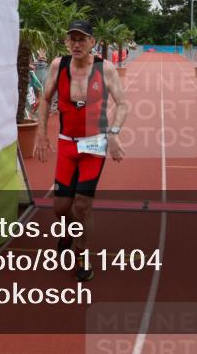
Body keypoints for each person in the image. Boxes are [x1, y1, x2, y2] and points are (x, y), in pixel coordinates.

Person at [33, 20, 127, 281]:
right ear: (67, 42)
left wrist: (115, 133)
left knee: (83, 205)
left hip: (94, 144)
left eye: (81, 39)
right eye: (72, 39)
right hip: (66, 143)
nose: (76, 44)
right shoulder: (58, 65)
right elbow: (45, 99)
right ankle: (67, 232)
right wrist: (41, 134)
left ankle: (82, 253)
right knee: (61, 207)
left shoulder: (105, 69)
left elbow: (123, 105)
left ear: (92, 42)